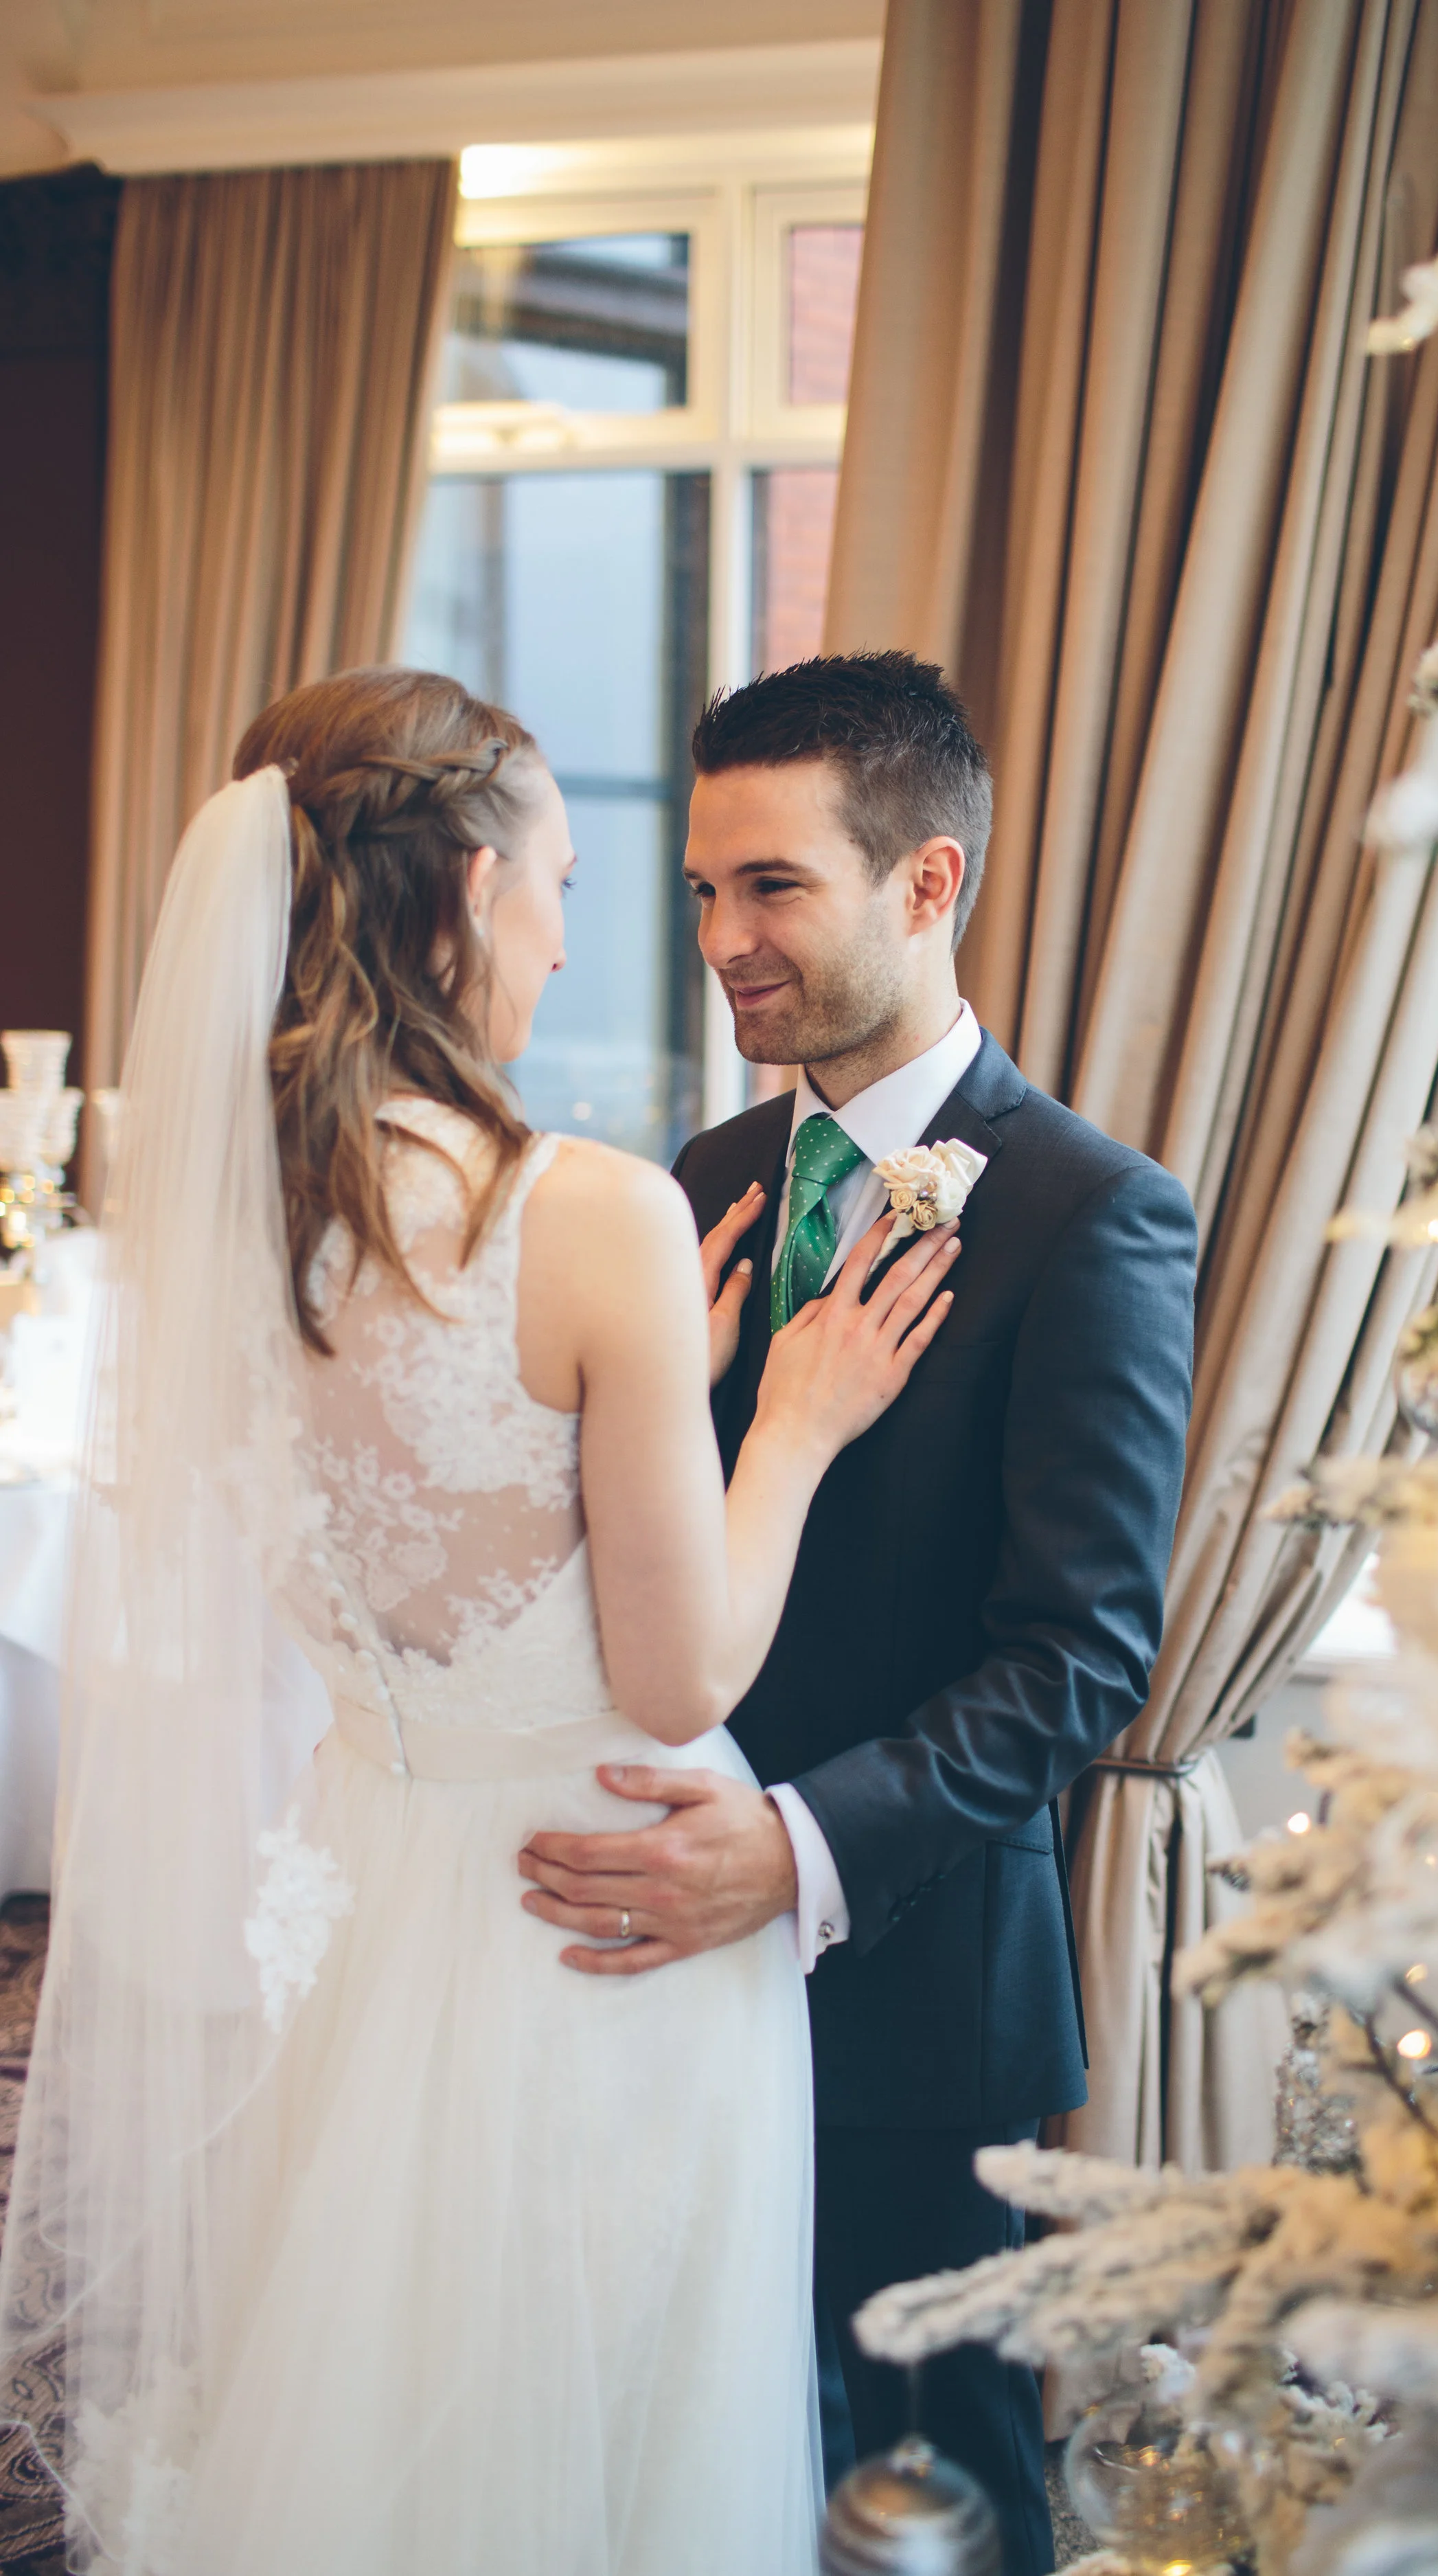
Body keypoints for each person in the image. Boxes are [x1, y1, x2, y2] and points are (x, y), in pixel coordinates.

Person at [0, 666, 961, 2576]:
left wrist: (640, 1411)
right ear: (457, 895)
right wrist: (781, 1426)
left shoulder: (250, 1213)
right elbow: (676, 1669)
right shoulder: (582, 1205)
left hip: (373, 1892)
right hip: (597, 1915)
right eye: (568, 884)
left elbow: (441, 1523)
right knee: (601, 2436)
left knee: (379, 2388)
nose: (574, 935)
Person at [515, 650, 1198, 2575]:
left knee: (927, 2499)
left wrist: (796, 1852)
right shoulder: (695, 1187)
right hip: (650, 1971)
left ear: (927, 882)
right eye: (703, 889)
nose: (722, 936)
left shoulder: (1091, 1213)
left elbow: (1077, 1654)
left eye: (774, 887)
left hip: (908, 2006)